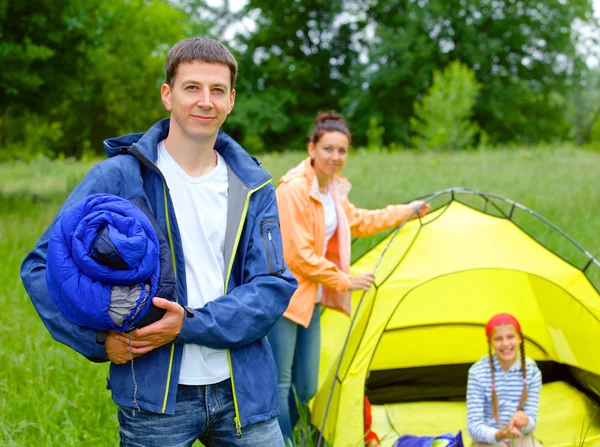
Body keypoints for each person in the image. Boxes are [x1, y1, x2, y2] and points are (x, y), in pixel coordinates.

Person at [20, 36, 298, 447]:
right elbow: (40, 266)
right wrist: (97, 340)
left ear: (232, 100)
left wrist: (188, 324)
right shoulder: (117, 177)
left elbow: (273, 285)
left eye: (217, 90)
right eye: (192, 88)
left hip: (243, 391)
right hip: (154, 398)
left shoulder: (252, 184)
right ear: (168, 95)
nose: (205, 101)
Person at [269, 111, 431, 444]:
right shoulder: (294, 189)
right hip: (284, 298)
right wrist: (344, 280)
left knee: (307, 385)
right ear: (312, 148)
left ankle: (289, 432)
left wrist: (407, 210)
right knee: (280, 384)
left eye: (342, 151)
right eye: (328, 149)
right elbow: (297, 255)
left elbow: (361, 221)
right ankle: (280, 440)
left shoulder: (332, 191)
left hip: (310, 300)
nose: (336, 157)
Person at [466, 313, 543, 446]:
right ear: (490, 343)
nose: (505, 344)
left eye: (510, 337)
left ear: (520, 338)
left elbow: (531, 422)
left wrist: (525, 420)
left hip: (520, 436)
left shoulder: (532, 371)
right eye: (498, 339)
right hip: (488, 438)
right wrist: (498, 434)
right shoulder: (477, 372)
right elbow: (474, 426)